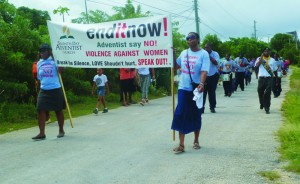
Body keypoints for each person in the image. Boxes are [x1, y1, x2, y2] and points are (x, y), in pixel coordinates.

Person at [171, 32, 210, 153]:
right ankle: (181, 145)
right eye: (187, 38)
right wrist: (173, 54)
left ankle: (196, 140)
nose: (189, 40)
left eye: (192, 38)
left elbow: (204, 71)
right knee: (180, 113)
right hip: (183, 87)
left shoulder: (204, 54)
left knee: (195, 113)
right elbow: (175, 66)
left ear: (198, 39)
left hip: (197, 89)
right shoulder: (184, 53)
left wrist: (202, 83)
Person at [32, 43, 65, 140]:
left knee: (58, 110)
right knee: (40, 109)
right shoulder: (39, 63)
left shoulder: (55, 61)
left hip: (55, 88)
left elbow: (61, 71)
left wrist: (57, 60)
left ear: (49, 52)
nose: (42, 53)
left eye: (44, 51)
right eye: (41, 52)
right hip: (44, 89)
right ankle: (42, 133)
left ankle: (61, 130)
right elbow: (39, 77)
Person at [255, 48, 277, 114]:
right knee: (260, 91)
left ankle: (267, 108)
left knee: (267, 93)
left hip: (269, 78)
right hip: (261, 78)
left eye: (267, 51)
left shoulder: (272, 60)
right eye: (265, 51)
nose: (266, 52)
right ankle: (262, 103)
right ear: (263, 52)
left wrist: (276, 80)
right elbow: (257, 66)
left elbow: (274, 70)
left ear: (269, 52)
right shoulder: (259, 59)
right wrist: (261, 57)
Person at [203, 43, 220, 113]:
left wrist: (208, 56)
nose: (206, 49)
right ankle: (201, 108)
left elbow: (216, 62)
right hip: (205, 76)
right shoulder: (203, 54)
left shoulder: (215, 54)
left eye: (207, 47)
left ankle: (212, 107)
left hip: (213, 75)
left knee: (212, 92)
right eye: (205, 48)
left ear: (211, 48)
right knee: (203, 93)